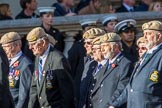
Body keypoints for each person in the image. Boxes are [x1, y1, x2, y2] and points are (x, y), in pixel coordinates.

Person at [109, 20, 162, 108]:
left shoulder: (160, 54)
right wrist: (115, 104)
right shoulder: (146, 54)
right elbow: (131, 86)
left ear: (159, 36)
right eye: (144, 34)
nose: (145, 37)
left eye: (149, 34)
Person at [26, 27, 74, 108]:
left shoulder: (58, 59)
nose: (30, 48)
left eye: (33, 44)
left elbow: (67, 92)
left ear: (43, 42)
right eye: (29, 44)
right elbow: (34, 88)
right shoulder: (38, 57)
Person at [91, 33, 133, 108]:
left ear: (116, 47)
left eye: (105, 46)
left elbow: (122, 89)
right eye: (101, 46)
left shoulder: (125, 64)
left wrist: (111, 104)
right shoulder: (106, 64)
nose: (102, 50)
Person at [0, 32, 33, 108]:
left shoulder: (26, 65)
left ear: (17, 45)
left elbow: (24, 96)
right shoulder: (5, 62)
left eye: (7, 46)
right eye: (3, 47)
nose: (4, 50)